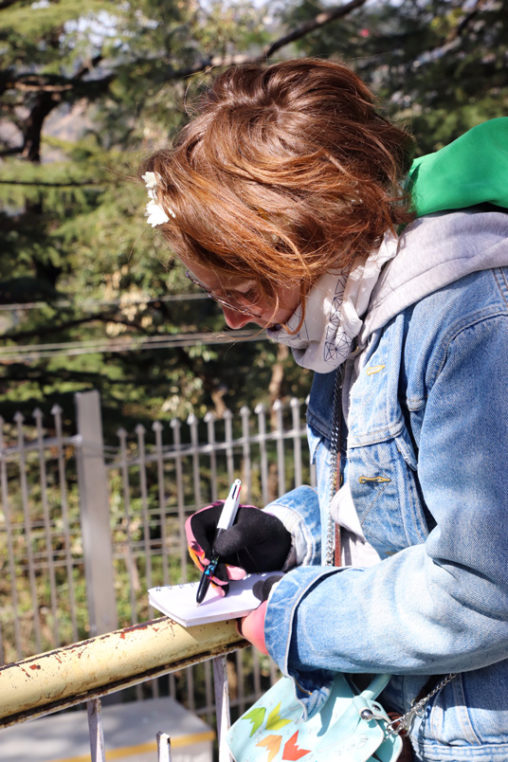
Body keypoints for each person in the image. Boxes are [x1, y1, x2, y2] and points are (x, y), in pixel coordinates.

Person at [140, 58, 508, 761]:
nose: (234, 320)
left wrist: (297, 613)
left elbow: (486, 587)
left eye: (246, 289)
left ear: (312, 238)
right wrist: (286, 535)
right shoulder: (349, 313)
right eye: (216, 294)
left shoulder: (472, 323)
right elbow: (394, 508)